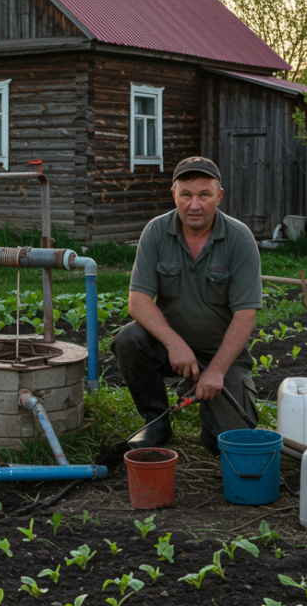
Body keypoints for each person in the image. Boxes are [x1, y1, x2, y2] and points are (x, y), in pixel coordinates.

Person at [111, 156, 262, 453]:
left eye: (204, 195)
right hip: (170, 349)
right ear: (174, 195)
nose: (195, 205)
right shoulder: (156, 231)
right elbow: (138, 302)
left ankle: (213, 417)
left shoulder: (239, 238)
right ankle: (156, 422)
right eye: (186, 195)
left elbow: (246, 315)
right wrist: (174, 343)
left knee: (228, 443)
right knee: (129, 339)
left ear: (218, 196)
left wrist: (216, 370)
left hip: (221, 354)